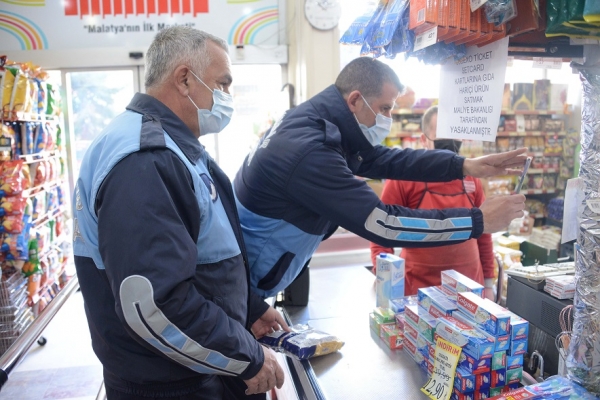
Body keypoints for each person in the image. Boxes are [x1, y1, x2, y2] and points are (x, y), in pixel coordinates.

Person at [72, 26, 287, 400]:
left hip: (193, 363)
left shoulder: (173, 147)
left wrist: (249, 308)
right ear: (185, 79)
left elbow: (201, 256)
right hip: (170, 382)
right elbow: (156, 302)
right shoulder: (144, 160)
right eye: (223, 84)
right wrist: (248, 358)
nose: (227, 97)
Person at [233, 57, 527, 299]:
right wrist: (477, 222)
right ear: (355, 100)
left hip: (254, 276)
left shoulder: (319, 123)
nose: (388, 118)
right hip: (247, 282)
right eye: (385, 108)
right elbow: (383, 224)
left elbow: (384, 159)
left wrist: (464, 166)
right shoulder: (309, 151)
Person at [370, 106, 496, 300]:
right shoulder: (404, 178)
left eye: (455, 137)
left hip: (469, 291)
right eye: (442, 139)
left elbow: (485, 232)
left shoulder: (471, 178)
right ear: (423, 140)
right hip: (417, 290)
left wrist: (488, 282)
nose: (450, 145)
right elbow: (380, 230)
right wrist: (383, 276)